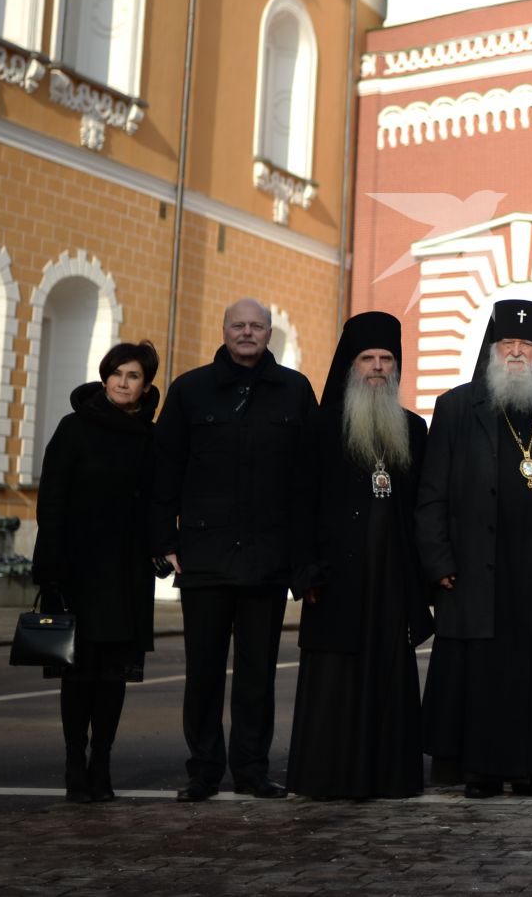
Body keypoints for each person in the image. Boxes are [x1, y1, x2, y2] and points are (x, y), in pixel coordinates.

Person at [417, 299, 532, 798]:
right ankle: (482, 771)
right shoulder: (455, 407)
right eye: (508, 344)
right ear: (493, 350)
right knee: (483, 674)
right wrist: (439, 560)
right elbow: (431, 494)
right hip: (474, 568)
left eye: (527, 345)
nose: (516, 353)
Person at [151, 298, 318, 802]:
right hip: (204, 557)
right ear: (223, 331)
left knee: (256, 676)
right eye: (238, 325)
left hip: (267, 559)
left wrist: (302, 556)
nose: (247, 333)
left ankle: (251, 769)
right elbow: (163, 471)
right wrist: (164, 542)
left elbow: (309, 482)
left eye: (257, 326)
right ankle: (203, 770)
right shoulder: (190, 390)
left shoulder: (294, 391)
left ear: (269, 333)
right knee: (202, 673)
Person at [286, 311, 432, 799]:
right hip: (335, 576)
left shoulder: (412, 429)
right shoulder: (321, 427)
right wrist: (304, 568)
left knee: (389, 672)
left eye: (386, 359)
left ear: (397, 366)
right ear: (350, 365)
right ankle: (330, 776)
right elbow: (299, 501)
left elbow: (420, 508)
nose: (376, 367)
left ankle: (389, 776)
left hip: (392, 578)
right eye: (367, 358)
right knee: (335, 676)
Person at [31, 340, 162, 804]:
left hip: (127, 571)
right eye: (117, 374)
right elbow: (53, 502)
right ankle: (74, 762)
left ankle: (101, 763)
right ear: (105, 377)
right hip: (78, 569)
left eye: (133, 377)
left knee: (113, 676)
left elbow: (156, 503)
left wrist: (163, 548)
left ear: (146, 386)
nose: (124, 383)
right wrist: (50, 570)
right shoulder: (74, 428)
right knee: (79, 675)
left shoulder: (150, 437)